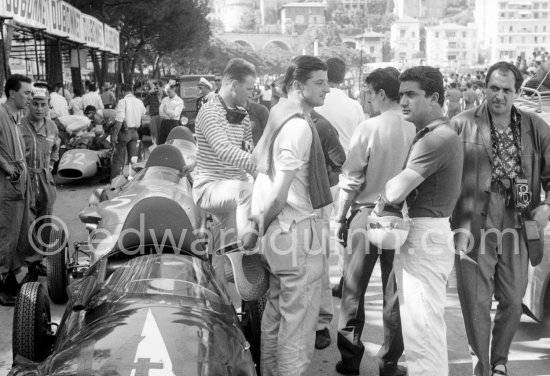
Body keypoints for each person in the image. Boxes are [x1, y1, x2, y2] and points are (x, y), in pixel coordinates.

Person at [450, 61, 550, 376]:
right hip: (474, 218)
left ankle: (500, 358)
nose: (499, 96)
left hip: (520, 219)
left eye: (507, 90)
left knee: (514, 295)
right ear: (485, 88)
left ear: (517, 92)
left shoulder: (536, 126)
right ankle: (484, 366)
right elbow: (441, 173)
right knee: (476, 301)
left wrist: (546, 208)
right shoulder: (461, 124)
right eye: (494, 88)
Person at [250, 55, 332, 375]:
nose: (328, 88)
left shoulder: (278, 115)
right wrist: (260, 227)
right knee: (297, 325)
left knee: (275, 314)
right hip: (293, 230)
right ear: (298, 86)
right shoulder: (298, 126)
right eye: (319, 82)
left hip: (279, 233)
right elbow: (280, 192)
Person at [383, 66, 464, 376]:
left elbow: (395, 189)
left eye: (411, 94)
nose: (403, 101)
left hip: (425, 235)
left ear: (434, 97)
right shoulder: (437, 134)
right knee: (422, 331)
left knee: (423, 333)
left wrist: (388, 188)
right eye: (401, 94)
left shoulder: (436, 139)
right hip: (427, 232)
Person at [335, 68, 413, 376]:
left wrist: (341, 216)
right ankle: (389, 363)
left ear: (381, 93)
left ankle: (350, 362)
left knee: (353, 292)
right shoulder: (415, 127)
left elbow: (351, 178)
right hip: (401, 218)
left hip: (366, 214)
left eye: (369, 92)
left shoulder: (369, 127)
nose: (366, 97)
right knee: (394, 296)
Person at [192, 58, 258, 288]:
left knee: (220, 259)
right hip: (209, 188)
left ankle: (224, 306)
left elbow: (248, 150)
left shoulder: (243, 115)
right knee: (247, 191)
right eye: (248, 89)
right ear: (233, 84)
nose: (251, 95)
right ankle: (247, 249)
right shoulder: (209, 112)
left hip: (232, 191)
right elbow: (223, 150)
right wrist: (260, 167)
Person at [315, 57, 365, 299]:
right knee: (342, 229)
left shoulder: (316, 102)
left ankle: (321, 281)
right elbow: (362, 141)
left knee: (321, 230)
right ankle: (344, 278)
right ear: (344, 76)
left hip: (320, 175)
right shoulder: (353, 105)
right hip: (347, 175)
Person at [0, 74, 35, 305]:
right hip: (7, 183)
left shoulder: (16, 117)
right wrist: (6, 166)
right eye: (26, 93)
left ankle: (11, 277)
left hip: (20, 182)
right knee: (7, 234)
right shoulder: (1, 114)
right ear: (12, 93)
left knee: (20, 233)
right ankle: (3, 286)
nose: (30, 98)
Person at [20, 87, 60, 279]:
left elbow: (56, 148)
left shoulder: (51, 126)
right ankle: (31, 265)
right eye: (35, 104)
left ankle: (41, 259)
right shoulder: (19, 125)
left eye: (43, 104)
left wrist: (51, 165)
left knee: (45, 220)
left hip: (45, 178)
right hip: (25, 178)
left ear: (47, 106)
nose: (38, 108)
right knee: (27, 221)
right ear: (28, 104)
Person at [316, 57, 365, 154]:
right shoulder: (355, 106)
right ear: (343, 78)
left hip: (322, 162)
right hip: (347, 162)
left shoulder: (314, 104)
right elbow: (362, 140)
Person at [110, 83, 146, 180]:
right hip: (135, 132)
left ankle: (115, 181)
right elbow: (144, 114)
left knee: (118, 158)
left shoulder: (123, 101)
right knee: (133, 159)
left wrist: (114, 135)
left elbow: (119, 120)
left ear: (122, 91)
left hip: (124, 131)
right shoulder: (139, 102)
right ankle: (133, 180)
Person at [158, 80, 184, 144]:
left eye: (169, 91)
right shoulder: (164, 100)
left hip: (173, 124)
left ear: (174, 89)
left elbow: (175, 114)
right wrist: (170, 113)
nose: (167, 93)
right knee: (162, 143)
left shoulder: (179, 101)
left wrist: (166, 111)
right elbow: (161, 112)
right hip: (164, 123)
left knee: (174, 143)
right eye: (167, 91)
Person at [143, 80, 166, 145]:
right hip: (154, 117)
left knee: (163, 135)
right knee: (154, 136)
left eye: (157, 88)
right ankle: (156, 148)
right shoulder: (150, 95)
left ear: (162, 87)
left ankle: (163, 148)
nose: (156, 90)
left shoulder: (166, 95)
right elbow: (143, 104)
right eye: (154, 88)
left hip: (164, 117)